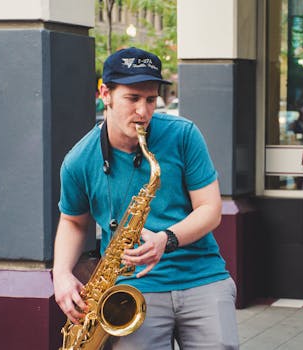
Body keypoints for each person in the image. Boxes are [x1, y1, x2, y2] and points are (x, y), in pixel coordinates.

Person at [53, 47, 239, 350]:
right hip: (131, 287)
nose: (143, 112)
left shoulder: (183, 135)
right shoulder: (79, 160)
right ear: (105, 94)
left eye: (151, 100)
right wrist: (60, 274)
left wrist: (167, 238)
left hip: (202, 277)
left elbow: (210, 209)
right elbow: (73, 221)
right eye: (133, 98)